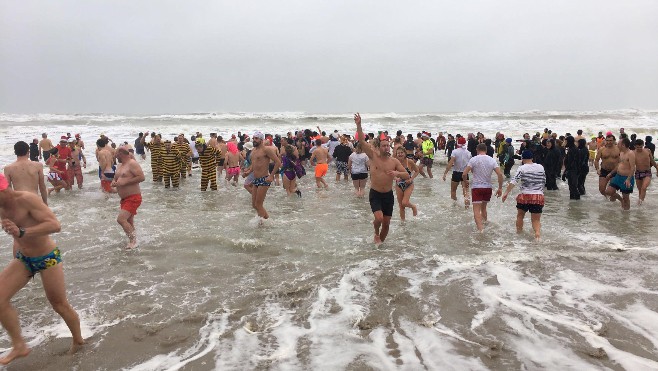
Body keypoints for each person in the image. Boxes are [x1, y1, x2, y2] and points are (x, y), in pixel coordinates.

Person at [0, 174, 84, 365]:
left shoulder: (26, 199)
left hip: (47, 258)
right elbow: (16, 235)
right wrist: (17, 245)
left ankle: (78, 340)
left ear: (3, 188)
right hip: (24, 259)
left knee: (59, 304)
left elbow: (55, 225)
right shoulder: (2, 206)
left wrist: (22, 231)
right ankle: (19, 345)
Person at [355, 113, 409, 245]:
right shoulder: (373, 157)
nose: (386, 147)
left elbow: (406, 175)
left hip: (388, 195)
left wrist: (396, 172)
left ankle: (380, 246)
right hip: (375, 194)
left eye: (387, 145)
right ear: (379, 147)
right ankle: (375, 233)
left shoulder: (394, 161)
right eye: (383, 145)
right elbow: (362, 141)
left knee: (386, 224)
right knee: (378, 218)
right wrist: (359, 125)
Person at [502, 150, 546, 240]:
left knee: (520, 216)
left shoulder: (522, 168)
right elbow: (543, 181)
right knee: (536, 220)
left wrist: (506, 192)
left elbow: (514, 181)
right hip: (538, 196)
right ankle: (537, 234)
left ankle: (519, 234)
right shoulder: (540, 167)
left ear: (522, 158)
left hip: (525, 196)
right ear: (532, 158)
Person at [462, 143, 504, 232]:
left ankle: (481, 230)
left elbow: (464, 174)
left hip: (477, 187)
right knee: (483, 208)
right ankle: (484, 224)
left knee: (476, 210)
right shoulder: (492, 160)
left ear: (477, 150)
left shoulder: (473, 159)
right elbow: (500, 174)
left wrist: (466, 182)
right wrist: (500, 188)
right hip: (488, 188)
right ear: (486, 150)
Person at [111, 146, 145, 249]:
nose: (115, 156)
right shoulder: (120, 165)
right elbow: (116, 178)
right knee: (129, 221)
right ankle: (134, 240)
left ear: (121, 154)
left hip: (133, 197)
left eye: (116, 154)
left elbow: (141, 177)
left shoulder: (132, 163)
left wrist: (126, 182)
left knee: (121, 219)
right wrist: (114, 182)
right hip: (124, 199)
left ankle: (133, 241)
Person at [249, 131, 281, 220]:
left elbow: (278, 162)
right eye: (253, 138)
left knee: (258, 205)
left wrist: (271, 176)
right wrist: (248, 172)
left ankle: (261, 224)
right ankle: (267, 219)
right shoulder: (253, 151)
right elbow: (254, 164)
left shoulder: (266, 150)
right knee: (254, 205)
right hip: (256, 179)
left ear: (261, 140)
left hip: (264, 179)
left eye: (256, 138)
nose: (254, 140)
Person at [604, 137, 636, 210]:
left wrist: (628, 179)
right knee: (608, 191)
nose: (617, 144)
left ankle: (626, 215)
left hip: (626, 178)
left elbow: (633, 168)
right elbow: (619, 164)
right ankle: (620, 200)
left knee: (626, 198)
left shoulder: (630, 154)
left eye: (619, 144)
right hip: (618, 177)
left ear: (623, 145)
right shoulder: (621, 152)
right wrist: (611, 173)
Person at [443, 136, 472, 208]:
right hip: (465, 173)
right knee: (466, 192)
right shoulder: (468, 153)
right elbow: (471, 164)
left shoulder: (455, 151)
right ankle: (467, 207)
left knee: (453, 190)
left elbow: (450, 163)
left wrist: (445, 173)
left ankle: (454, 206)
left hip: (456, 173)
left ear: (457, 143)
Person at [394, 147, 419, 220]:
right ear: (396, 154)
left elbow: (417, 171)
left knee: (404, 202)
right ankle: (403, 224)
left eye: (402, 152)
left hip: (409, 184)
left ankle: (413, 207)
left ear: (405, 153)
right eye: (398, 153)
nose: (400, 154)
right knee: (401, 206)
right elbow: (390, 173)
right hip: (398, 185)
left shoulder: (409, 161)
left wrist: (411, 179)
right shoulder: (395, 162)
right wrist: (396, 178)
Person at [633, 139, 657, 205]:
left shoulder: (648, 151)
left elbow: (652, 161)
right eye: (637, 147)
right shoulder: (633, 153)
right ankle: (641, 203)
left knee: (644, 187)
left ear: (643, 145)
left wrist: (657, 168)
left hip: (647, 172)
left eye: (641, 147)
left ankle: (640, 203)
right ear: (635, 146)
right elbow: (630, 164)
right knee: (640, 190)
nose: (639, 148)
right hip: (638, 172)